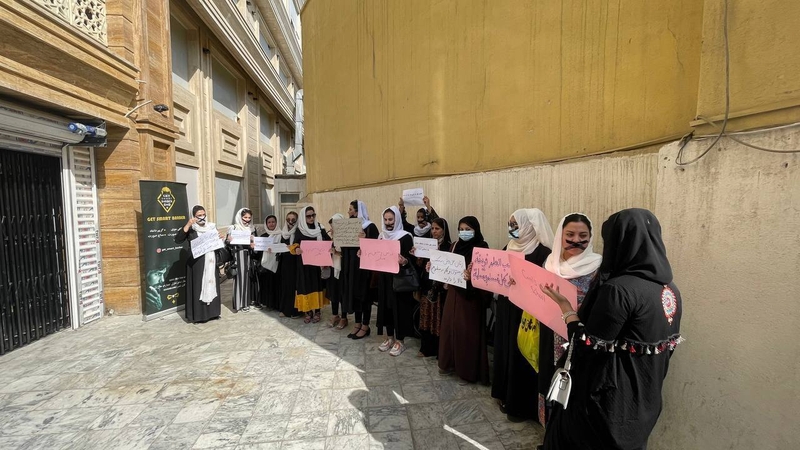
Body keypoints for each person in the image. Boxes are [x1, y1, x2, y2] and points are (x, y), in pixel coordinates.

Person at [539, 208, 683, 450]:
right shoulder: (669, 290)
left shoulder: (619, 290)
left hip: (608, 403)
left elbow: (589, 346)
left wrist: (567, 310)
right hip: (645, 400)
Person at [535, 213, 602, 426]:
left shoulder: (598, 268)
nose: (576, 240)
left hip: (577, 340)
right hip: (548, 333)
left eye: (583, 235)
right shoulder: (549, 263)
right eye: (570, 235)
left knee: (572, 390)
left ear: (591, 237)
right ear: (560, 236)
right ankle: (549, 430)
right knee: (547, 380)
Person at [491, 208, 554, 422]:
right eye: (510, 225)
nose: (512, 229)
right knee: (505, 348)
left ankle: (521, 406)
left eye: (516, 225)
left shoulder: (543, 253)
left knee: (522, 354)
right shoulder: (507, 248)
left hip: (528, 314)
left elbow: (544, 284)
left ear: (529, 226)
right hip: (507, 309)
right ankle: (504, 393)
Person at [435, 216, 491, 384]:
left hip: (470, 298)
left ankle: (467, 371)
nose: (464, 233)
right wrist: (435, 268)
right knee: (450, 329)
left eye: (468, 229)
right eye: (461, 229)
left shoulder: (482, 248)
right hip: (453, 294)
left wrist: (471, 277)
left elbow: (485, 275)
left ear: (476, 230)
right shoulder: (454, 246)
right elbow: (448, 267)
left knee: (467, 334)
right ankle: (449, 363)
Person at [174, 205, 227, 323]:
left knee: (212, 283)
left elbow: (216, 244)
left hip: (211, 262)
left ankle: (213, 313)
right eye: (199, 216)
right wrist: (187, 225)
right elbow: (178, 239)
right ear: (194, 217)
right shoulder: (191, 229)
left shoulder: (211, 227)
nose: (202, 218)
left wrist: (220, 238)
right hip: (197, 264)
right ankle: (198, 315)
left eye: (203, 215)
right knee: (198, 287)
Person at [375, 206, 415, 356]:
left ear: (397, 219)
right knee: (386, 308)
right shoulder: (381, 236)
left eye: (391, 219)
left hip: (400, 280)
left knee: (400, 309)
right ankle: (390, 337)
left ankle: (400, 341)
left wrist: (404, 261)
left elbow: (412, 260)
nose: (388, 222)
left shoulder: (406, 236)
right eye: (385, 219)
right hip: (385, 279)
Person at [414, 218, 451, 357]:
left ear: (444, 230)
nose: (434, 231)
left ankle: (438, 350)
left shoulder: (448, 246)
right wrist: (416, 254)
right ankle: (425, 348)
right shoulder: (427, 244)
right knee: (425, 318)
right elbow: (419, 265)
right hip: (426, 286)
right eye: (433, 228)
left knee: (438, 319)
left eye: (437, 229)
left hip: (440, 290)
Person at [344, 200, 380, 340]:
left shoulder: (370, 227)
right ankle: (357, 323)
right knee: (355, 295)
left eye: (351, 209)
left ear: (358, 211)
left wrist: (365, 239)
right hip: (353, 267)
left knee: (365, 296)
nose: (349, 212)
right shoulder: (348, 226)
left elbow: (376, 248)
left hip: (365, 270)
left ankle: (366, 325)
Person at [292, 206, 331, 323]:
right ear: (304, 217)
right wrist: (297, 249)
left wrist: (328, 248)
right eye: (308, 216)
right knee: (305, 285)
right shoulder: (300, 229)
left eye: (313, 215)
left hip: (316, 264)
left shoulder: (319, 228)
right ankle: (308, 311)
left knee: (316, 285)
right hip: (303, 264)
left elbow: (328, 240)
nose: (311, 218)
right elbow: (295, 244)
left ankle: (317, 311)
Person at [226, 208, 257, 312]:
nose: (247, 220)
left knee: (248, 279)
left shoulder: (252, 229)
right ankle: (239, 304)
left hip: (249, 256)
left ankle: (247, 302)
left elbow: (255, 243)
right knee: (240, 279)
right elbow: (227, 243)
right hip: (238, 256)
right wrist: (229, 240)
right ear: (240, 217)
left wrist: (253, 242)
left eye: (249, 217)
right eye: (245, 217)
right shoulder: (234, 228)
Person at [277, 211, 301, 318]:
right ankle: (285, 309)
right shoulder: (283, 233)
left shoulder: (299, 232)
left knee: (295, 287)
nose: (290, 222)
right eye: (288, 219)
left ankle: (296, 311)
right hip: (285, 263)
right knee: (285, 286)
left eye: (293, 220)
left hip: (296, 263)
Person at [327, 213, 347, 329]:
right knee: (334, 292)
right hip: (332, 268)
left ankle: (344, 318)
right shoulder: (332, 239)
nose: (332, 229)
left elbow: (348, 255)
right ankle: (335, 315)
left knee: (342, 293)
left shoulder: (346, 238)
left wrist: (337, 252)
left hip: (343, 270)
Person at [258, 215, 283, 310]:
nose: (271, 224)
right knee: (267, 284)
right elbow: (259, 251)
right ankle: (268, 303)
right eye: (269, 222)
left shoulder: (281, 235)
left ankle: (277, 304)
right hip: (266, 265)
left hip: (277, 264)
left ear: (276, 223)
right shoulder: (263, 236)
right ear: (266, 224)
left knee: (277, 284)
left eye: (273, 222)